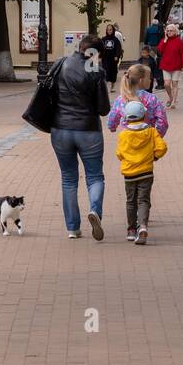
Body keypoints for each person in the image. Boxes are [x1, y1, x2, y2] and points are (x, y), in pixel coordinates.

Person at [50, 34, 110, 239]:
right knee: (94, 176)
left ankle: (73, 228)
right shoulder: (96, 71)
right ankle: (94, 210)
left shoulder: (61, 64)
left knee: (68, 179)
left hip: (60, 128)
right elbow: (103, 109)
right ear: (97, 53)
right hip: (88, 130)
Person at [116, 99, 167, 245]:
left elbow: (119, 154)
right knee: (143, 200)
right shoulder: (151, 132)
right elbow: (162, 147)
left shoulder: (123, 135)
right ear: (144, 116)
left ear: (126, 117)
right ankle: (143, 226)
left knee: (131, 201)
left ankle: (131, 230)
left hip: (129, 173)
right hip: (146, 172)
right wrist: (154, 156)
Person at [107, 62, 168, 136]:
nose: (150, 80)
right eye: (149, 78)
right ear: (141, 80)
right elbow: (162, 120)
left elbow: (112, 118)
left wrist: (112, 127)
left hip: (128, 140)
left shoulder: (121, 99)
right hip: (147, 138)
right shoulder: (151, 99)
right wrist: (158, 135)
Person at [157, 23, 183, 110]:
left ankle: (174, 102)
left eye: (171, 30)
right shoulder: (164, 40)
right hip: (166, 65)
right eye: (168, 30)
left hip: (176, 65)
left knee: (174, 83)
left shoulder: (179, 41)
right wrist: (165, 40)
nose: (169, 32)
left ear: (175, 32)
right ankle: (170, 97)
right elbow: (159, 50)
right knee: (166, 84)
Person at [100, 23, 123, 92]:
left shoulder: (116, 40)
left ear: (113, 30)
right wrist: (100, 56)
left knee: (113, 73)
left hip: (113, 59)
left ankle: (112, 87)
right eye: (108, 30)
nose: (109, 31)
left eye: (110, 30)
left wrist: (117, 55)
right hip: (105, 59)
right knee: (105, 72)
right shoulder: (103, 39)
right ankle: (105, 87)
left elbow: (118, 49)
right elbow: (100, 48)